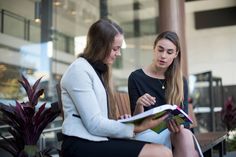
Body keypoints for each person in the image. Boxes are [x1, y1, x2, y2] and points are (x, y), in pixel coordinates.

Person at [60, 19, 172, 157]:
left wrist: (121, 121)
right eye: (115, 48)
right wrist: (137, 126)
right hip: (81, 144)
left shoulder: (97, 71)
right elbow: (94, 124)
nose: (118, 54)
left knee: (162, 151)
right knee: (161, 153)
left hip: (97, 140)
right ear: (100, 46)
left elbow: (98, 119)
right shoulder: (79, 70)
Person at [128, 31, 203, 157]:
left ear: (175, 54)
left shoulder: (180, 80)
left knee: (184, 134)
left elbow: (184, 121)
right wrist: (139, 104)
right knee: (191, 149)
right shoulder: (136, 77)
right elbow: (136, 125)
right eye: (160, 50)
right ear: (154, 49)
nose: (163, 56)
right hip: (147, 133)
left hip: (173, 133)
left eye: (169, 52)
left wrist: (178, 126)